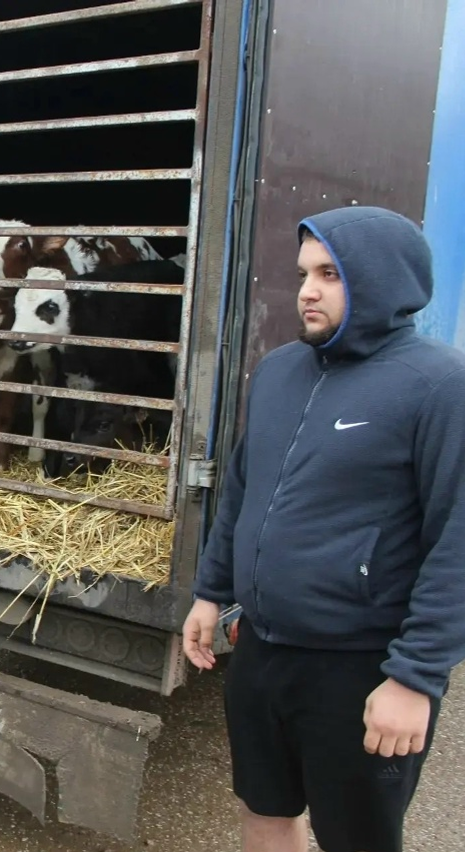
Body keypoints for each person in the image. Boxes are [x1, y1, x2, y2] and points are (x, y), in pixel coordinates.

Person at [183, 205, 465, 852]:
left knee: (355, 839)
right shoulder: (281, 370)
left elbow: (457, 541)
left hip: (361, 665)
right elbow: (242, 492)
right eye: (305, 272)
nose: (307, 288)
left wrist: (415, 678)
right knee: (265, 812)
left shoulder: (439, 387)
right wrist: (209, 592)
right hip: (261, 652)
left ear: (381, 281)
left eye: (331, 274)